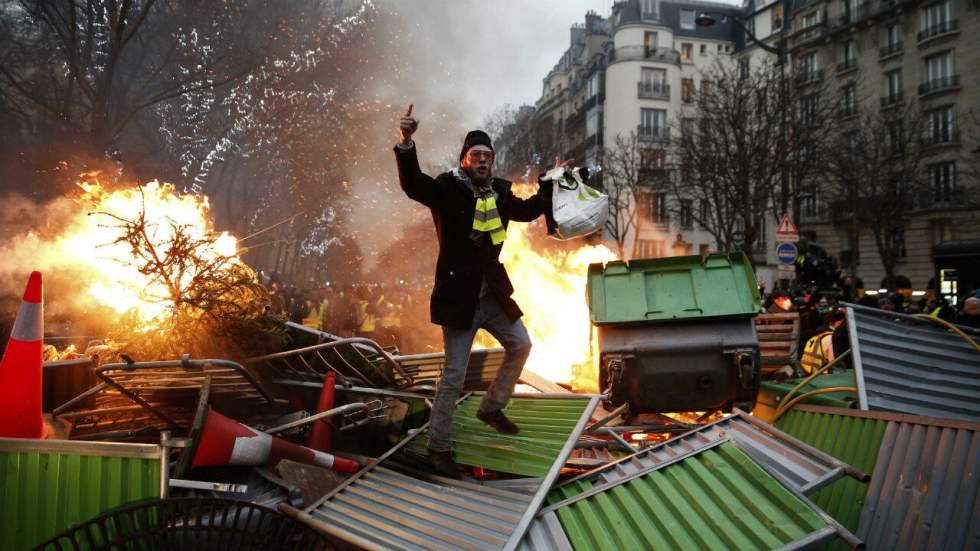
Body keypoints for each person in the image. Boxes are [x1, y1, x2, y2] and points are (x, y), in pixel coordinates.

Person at [394, 103, 557, 478]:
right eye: (476, 155)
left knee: (522, 344)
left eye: (487, 156)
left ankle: (491, 406)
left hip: (492, 296)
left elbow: (529, 210)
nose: (482, 161)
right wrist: (405, 142)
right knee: (453, 376)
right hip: (459, 298)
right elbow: (412, 183)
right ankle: (439, 450)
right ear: (464, 160)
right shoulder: (446, 189)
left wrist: (551, 181)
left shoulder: (499, 193)